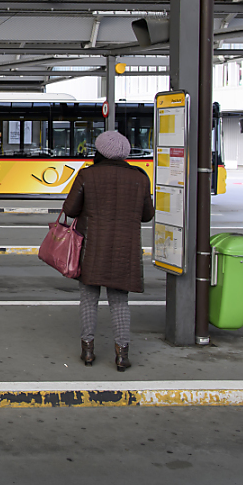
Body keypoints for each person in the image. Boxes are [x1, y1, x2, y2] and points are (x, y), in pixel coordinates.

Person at [61, 130, 155, 371]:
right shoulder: (140, 178)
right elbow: (147, 215)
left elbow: (70, 210)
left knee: (88, 300)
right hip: (126, 249)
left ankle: (88, 351)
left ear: (99, 151)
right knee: (120, 302)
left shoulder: (87, 175)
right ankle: (122, 355)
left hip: (91, 247)